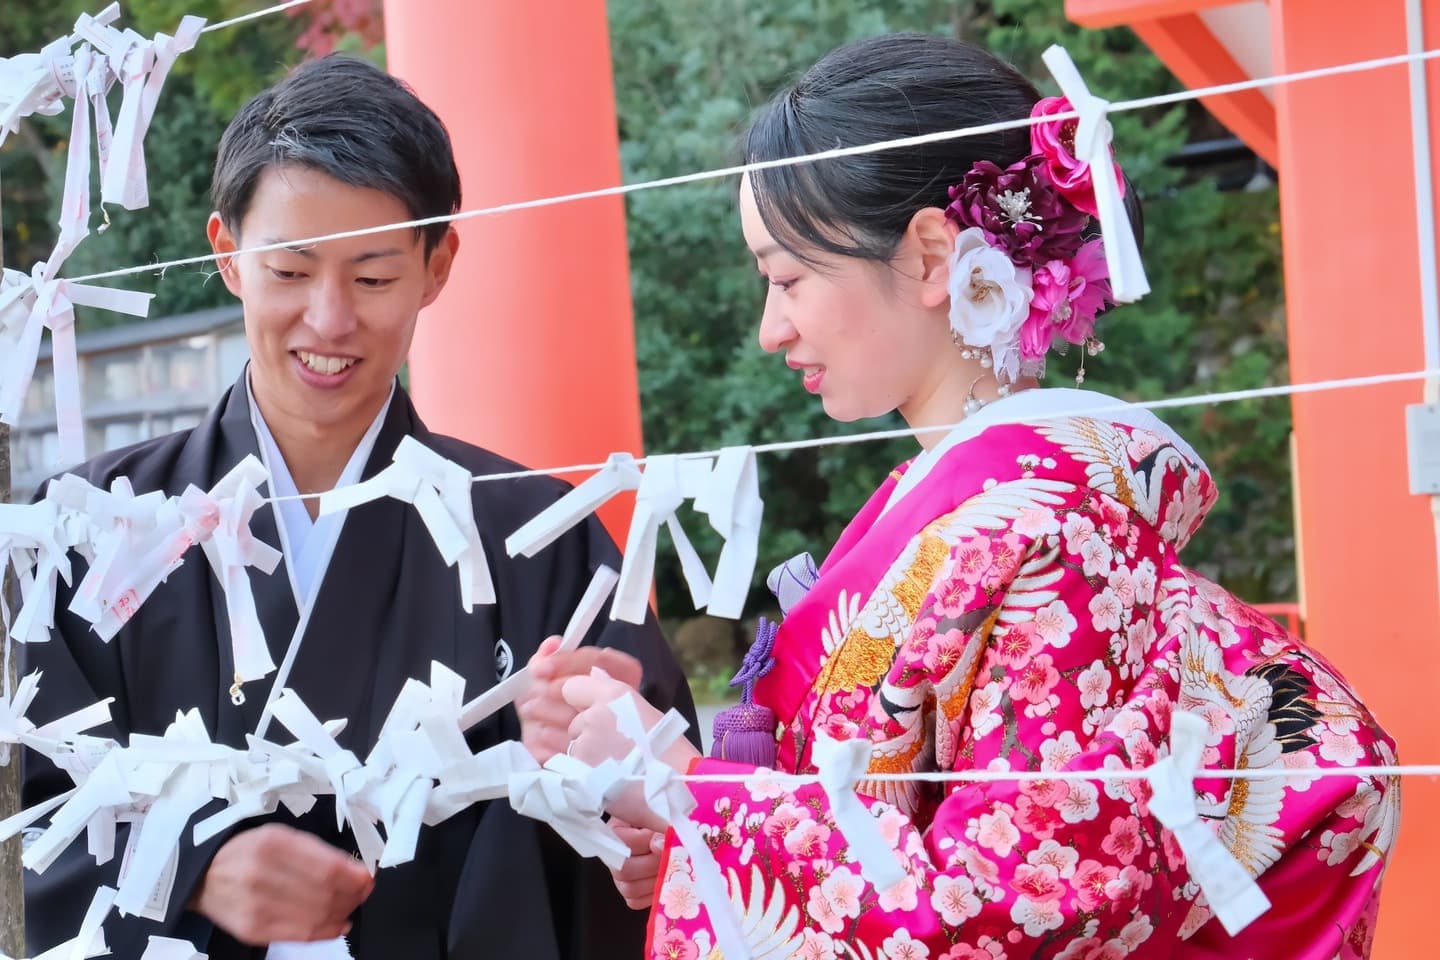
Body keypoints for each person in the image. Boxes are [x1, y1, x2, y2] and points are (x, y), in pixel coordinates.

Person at [545, 33, 1398, 959]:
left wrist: (681, 786)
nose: (769, 328)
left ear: (929, 255)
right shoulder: (975, 508)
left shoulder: (1050, 530)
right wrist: (694, 837)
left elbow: (1001, 905)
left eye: (787, 278)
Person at [21, 54, 695, 960]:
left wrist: (615, 799)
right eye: (291, 273)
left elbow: (660, 829)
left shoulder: (539, 534)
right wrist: (192, 869)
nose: (330, 322)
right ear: (226, 254)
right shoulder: (94, 528)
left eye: (374, 278)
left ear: (437, 264)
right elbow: (38, 812)